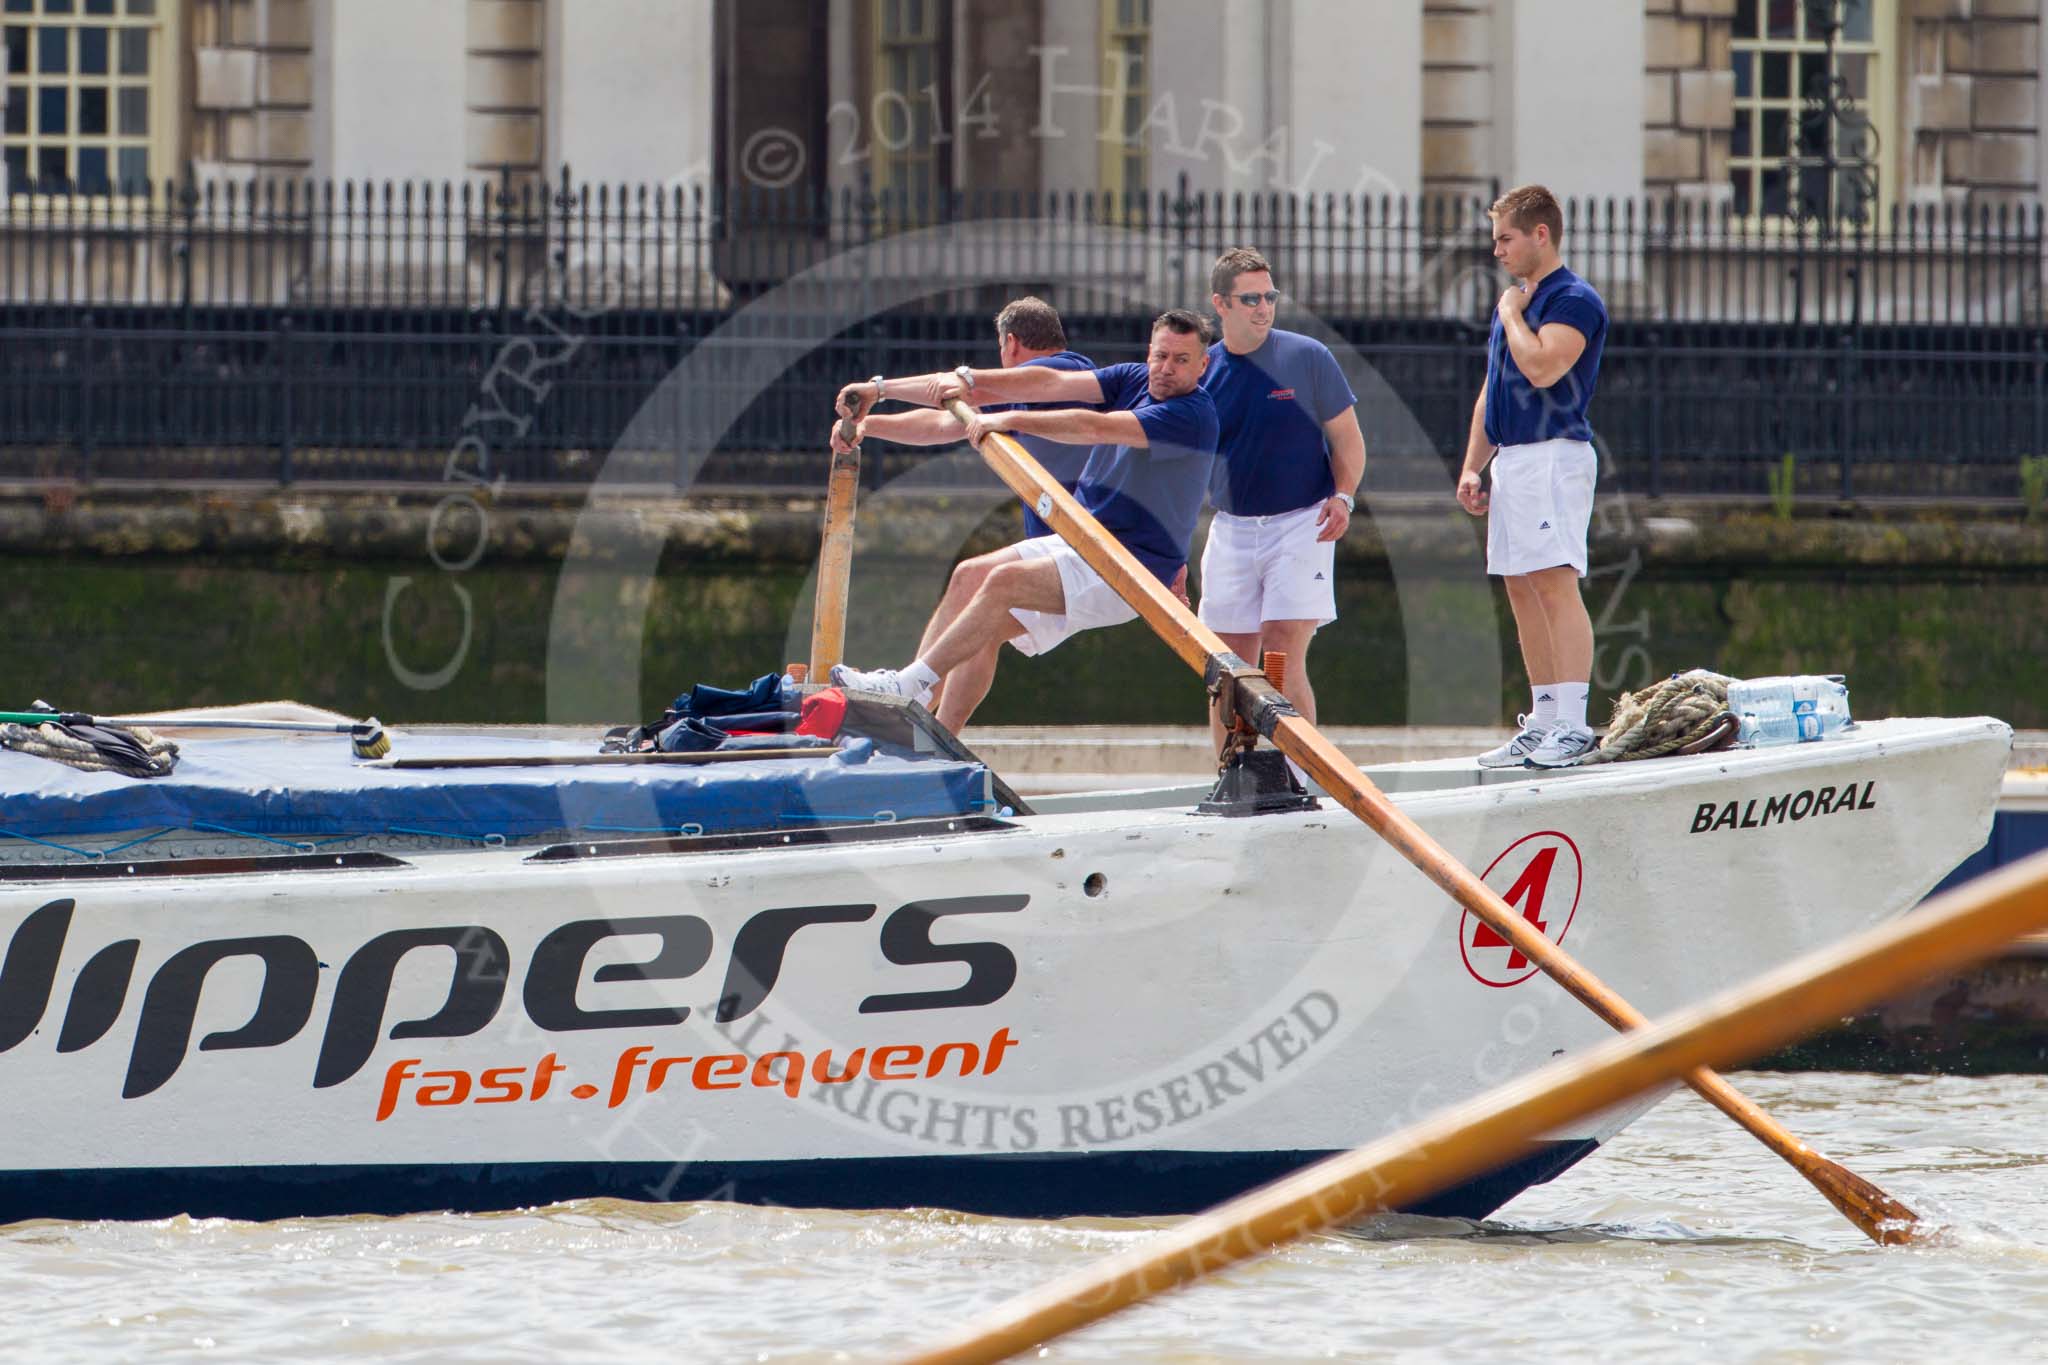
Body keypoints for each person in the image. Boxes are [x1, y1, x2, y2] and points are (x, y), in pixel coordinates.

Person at [828, 310, 1219, 733]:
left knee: (1002, 585)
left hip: (1129, 567)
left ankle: (907, 691)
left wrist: (1003, 415)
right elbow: (969, 409)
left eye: (1181, 360)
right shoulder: (1130, 379)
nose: (1166, 368)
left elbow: (1093, 426)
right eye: (1160, 356)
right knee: (969, 577)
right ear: (1148, 353)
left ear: (1203, 365)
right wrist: (884, 399)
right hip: (1081, 539)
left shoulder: (1191, 415)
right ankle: (927, 733)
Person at [831, 297, 1095, 718]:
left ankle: (909, 699)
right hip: (1058, 554)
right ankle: (933, 738)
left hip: (1091, 553)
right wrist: (870, 426)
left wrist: (878, 390)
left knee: (969, 579)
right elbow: (942, 423)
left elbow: (956, 387)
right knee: (978, 626)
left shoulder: (1067, 373)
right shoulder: (1020, 395)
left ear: (1010, 343)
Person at [1456, 184, 1610, 768]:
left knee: (1552, 580)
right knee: (1520, 586)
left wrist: (1512, 316)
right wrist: (1475, 464)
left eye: (1506, 238)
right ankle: (1544, 719)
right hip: (1515, 457)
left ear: (1540, 234)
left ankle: (1573, 723)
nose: (1497, 250)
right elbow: (1492, 390)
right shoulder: (1515, 305)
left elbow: (1544, 366)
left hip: (1554, 455)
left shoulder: (1573, 299)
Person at [1199, 247, 1366, 749]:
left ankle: (1299, 773)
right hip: (1230, 528)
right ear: (1220, 304)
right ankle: (1230, 771)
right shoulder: (1204, 368)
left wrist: (1344, 497)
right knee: (1226, 665)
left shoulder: (1307, 356)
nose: (1263, 307)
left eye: (1269, 296)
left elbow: (1349, 442)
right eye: (1250, 298)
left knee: (1281, 653)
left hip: (1303, 522)